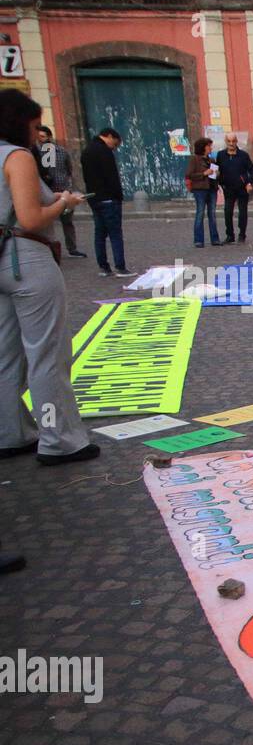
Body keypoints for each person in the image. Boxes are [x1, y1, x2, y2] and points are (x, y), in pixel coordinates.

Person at [0, 88, 98, 465]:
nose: (38, 134)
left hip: (1, 264)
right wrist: (62, 202)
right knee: (47, 357)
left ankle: (11, 432)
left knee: (6, 356)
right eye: (35, 126)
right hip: (26, 260)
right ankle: (58, 438)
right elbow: (30, 218)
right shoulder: (17, 156)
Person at [79, 127, 134, 278]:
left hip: (94, 198)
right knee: (115, 233)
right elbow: (112, 177)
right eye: (115, 144)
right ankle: (120, 267)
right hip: (109, 198)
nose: (115, 148)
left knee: (100, 233)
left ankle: (104, 267)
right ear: (109, 136)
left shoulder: (87, 150)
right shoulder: (104, 151)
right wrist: (118, 196)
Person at [35, 126, 85, 258]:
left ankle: (72, 248)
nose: (40, 140)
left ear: (50, 137)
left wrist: (68, 187)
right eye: (39, 137)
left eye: (43, 137)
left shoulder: (61, 152)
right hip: (48, 193)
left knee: (67, 222)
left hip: (63, 190)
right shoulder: (37, 153)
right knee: (48, 223)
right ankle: (50, 248)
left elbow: (69, 169)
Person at [215, 132, 253, 245]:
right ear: (226, 142)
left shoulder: (243, 155)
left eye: (233, 141)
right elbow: (217, 170)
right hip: (228, 188)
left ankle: (242, 234)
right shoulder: (220, 155)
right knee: (227, 212)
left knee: (242, 212)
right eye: (229, 141)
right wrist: (218, 182)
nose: (231, 143)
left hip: (242, 188)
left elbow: (252, 170)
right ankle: (230, 235)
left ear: (236, 142)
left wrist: (249, 183)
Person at [184, 137, 220, 248]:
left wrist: (216, 174)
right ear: (203, 147)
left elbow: (214, 175)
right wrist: (204, 173)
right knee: (200, 213)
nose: (210, 148)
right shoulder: (194, 160)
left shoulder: (211, 160)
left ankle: (215, 239)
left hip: (212, 189)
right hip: (200, 190)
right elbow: (189, 174)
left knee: (212, 214)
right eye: (209, 146)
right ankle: (198, 240)